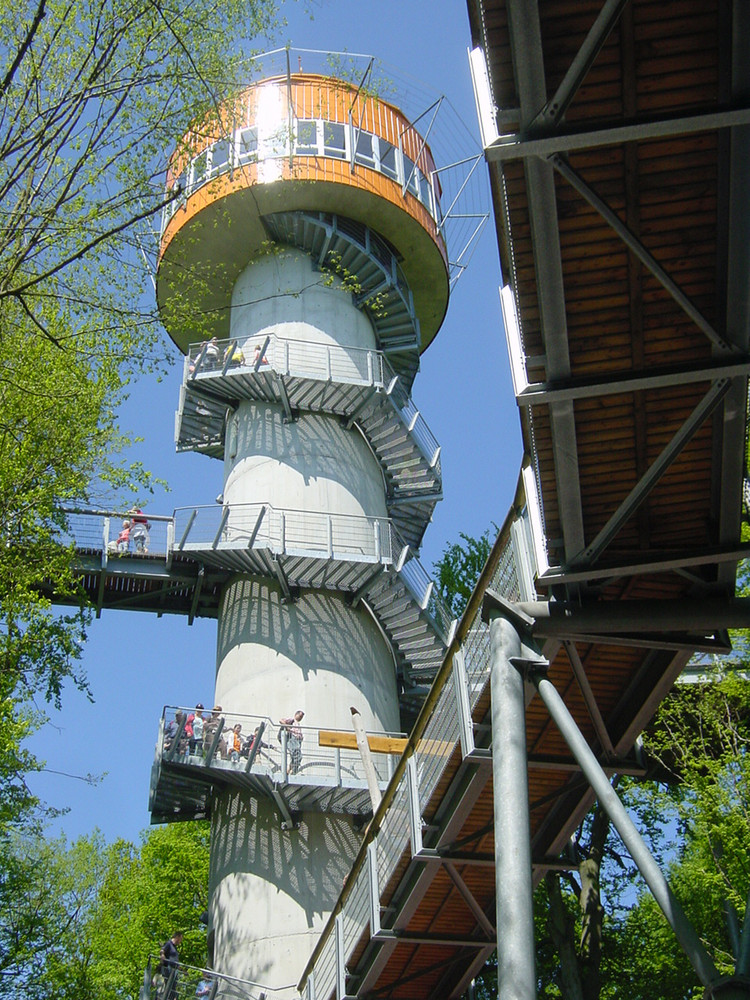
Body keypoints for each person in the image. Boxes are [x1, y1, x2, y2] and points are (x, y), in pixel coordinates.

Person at [159, 930, 183, 1000]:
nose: (180, 941)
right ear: (177, 937)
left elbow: (174, 960)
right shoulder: (168, 943)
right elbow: (162, 950)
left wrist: (182, 970)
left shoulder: (175, 947)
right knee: (170, 985)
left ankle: (173, 998)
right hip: (168, 968)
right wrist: (162, 955)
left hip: (174, 969)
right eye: (180, 939)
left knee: (173, 985)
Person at [279, 709, 304, 775]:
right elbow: (281, 720)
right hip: (293, 738)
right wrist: (288, 728)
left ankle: (289, 771)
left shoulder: (298, 724)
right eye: (300, 716)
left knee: (295, 757)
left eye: (302, 717)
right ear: (296, 715)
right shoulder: (292, 720)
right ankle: (293, 772)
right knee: (297, 756)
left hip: (297, 740)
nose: (301, 718)